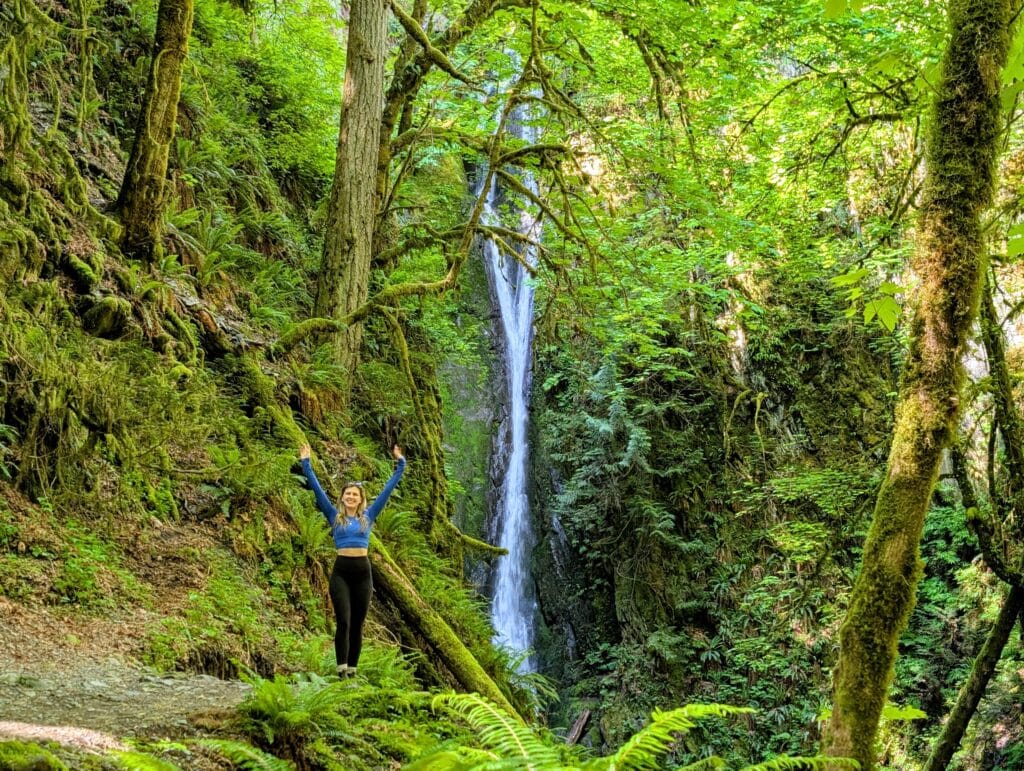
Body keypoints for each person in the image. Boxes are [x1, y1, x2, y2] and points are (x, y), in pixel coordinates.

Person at [298, 442, 405, 678]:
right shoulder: (333, 516)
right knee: (344, 621)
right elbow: (317, 490)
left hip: (363, 574)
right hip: (342, 573)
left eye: (355, 495)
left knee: (358, 624)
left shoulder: (369, 516)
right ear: (343, 498)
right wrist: (306, 463)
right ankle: (341, 669)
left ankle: (353, 672)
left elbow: (388, 490)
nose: (351, 497)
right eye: (348, 494)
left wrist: (400, 464)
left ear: (360, 499)